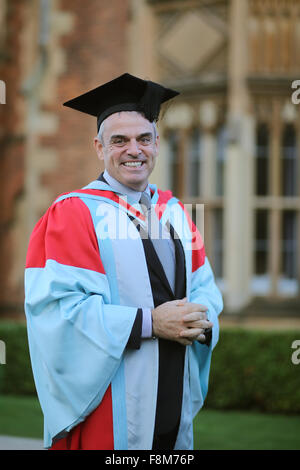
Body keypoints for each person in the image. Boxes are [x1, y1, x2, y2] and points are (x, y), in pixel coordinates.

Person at [24, 73, 223, 450]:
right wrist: (151, 322)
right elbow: (59, 311)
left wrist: (201, 318)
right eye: (120, 141)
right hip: (110, 408)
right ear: (99, 148)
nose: (134, 149)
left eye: (143, 139)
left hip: (172, 398)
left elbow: (205, 288)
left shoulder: (175, 211)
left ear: (157, 144)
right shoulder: (74, 213)